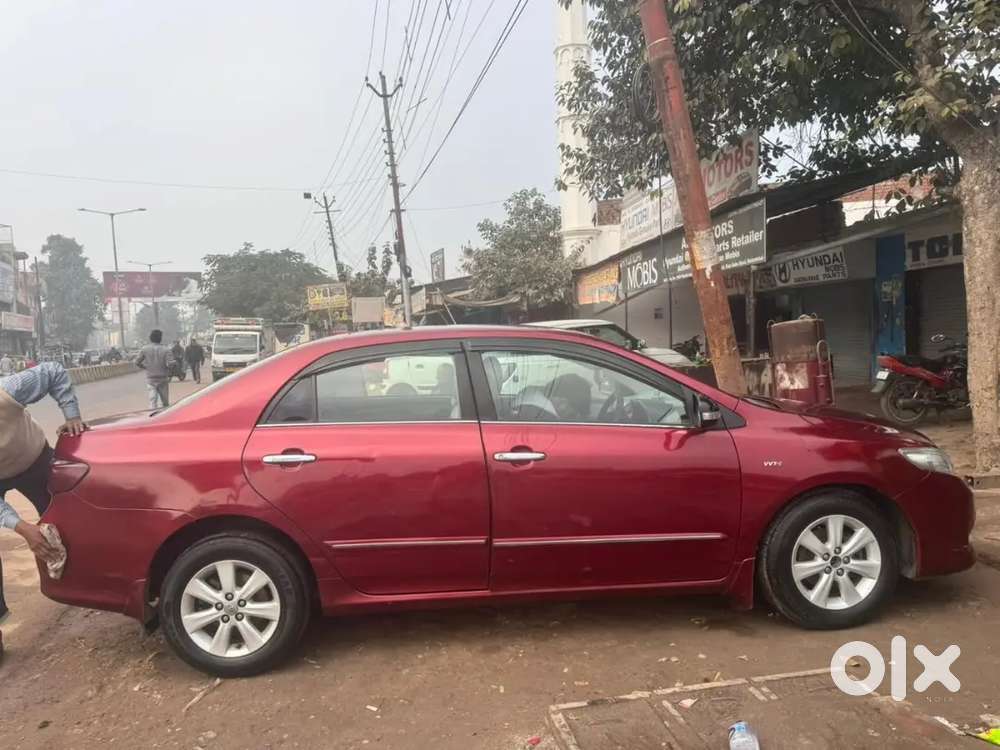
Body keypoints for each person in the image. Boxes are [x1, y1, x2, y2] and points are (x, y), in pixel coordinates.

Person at [1, 362, 86, 659]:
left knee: (67, 519)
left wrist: (72, 415)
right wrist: (23, 528)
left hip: (34, 458)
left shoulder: (8, 391)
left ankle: (88, 582)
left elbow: (53, 371)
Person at [135, 329, 174, 409]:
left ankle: (152, 414)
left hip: (151, 379)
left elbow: (137, 362)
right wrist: (172, 365)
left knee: (152, 400)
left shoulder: (144, 349)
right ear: (160, 338)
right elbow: (170, 364)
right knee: (165, 402)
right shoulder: (166, 350)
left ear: (150, 338)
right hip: (163, 378)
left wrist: (145, 367)